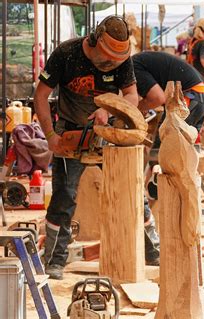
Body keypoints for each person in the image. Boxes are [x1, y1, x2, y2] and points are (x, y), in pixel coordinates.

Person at [34, 16, 161, 280]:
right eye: (106, 57)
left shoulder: (122, 59)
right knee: (64, 196)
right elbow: (41, 95)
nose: (111, 63)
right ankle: (55, 260)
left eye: (116, 59)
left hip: (109, 133)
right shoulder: (66, 54)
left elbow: (132, 96)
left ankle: (152, 250)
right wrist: (49, 136)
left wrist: (107, 108)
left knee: (131, 189)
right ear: (94, 40)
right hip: (71, 132)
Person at [132, 50, 204, 152]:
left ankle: (156, 165)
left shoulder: (133, 66)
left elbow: (158, 98)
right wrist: (144, 106)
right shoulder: (141, 62)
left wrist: (135, 109)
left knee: (163, 149)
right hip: (202, 96)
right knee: (187, 150)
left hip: (190, 97)